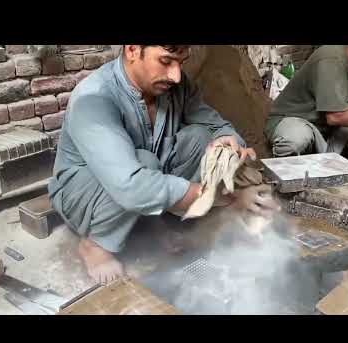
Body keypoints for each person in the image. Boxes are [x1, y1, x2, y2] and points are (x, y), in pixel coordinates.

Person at [48, 45, 273, 284]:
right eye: (166, 61)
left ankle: (157, 222)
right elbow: (131, 185)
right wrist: (221, 196)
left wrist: (229, 144)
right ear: (133, 50)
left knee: (201, 138)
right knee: (144, 163)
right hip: (85, 193)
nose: (176, 75)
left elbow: (216, 125)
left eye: (181, 62)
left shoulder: (175, 85)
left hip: (147, 171)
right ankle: (96, 244)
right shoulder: (93, 98)